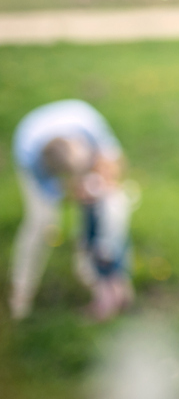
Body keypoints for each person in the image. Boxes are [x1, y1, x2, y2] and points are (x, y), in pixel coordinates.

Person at [9, 99, 134, 321]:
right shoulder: (30, 156)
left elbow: (115, 163)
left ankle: (102, 276)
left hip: (77, 136)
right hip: (33, 145)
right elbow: (51, 193)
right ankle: (20, 293)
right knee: (42, 222)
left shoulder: (89, 125)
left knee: (111, 209)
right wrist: (72, 191)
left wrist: (101, 184)